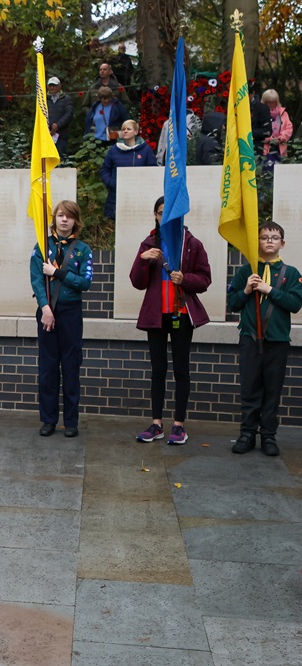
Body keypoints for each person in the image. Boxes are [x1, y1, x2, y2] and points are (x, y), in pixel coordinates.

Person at [130, 197, 212, 445]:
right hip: (156, 315)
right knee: (158, 370)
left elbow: (205, 279)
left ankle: (179, 425)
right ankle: (156, 423)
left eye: (171, 212)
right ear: (155, 216)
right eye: (161, 212)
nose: (166, 216)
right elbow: (137, 282)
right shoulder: (148, 243)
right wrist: (143, 260)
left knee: (181, 370)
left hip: (182, 314)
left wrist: (185, 279)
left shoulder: (192, 243)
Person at [228, 223, 302, 456]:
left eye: (274, 237)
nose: (269, 241)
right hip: (250, 338)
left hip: (277, 340)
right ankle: (247, 433)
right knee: (250, 387)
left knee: (272, 389)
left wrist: (269, 289)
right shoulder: (247, 271)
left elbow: (295, 304)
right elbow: (233, 304)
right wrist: (247, 290)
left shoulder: (291, 273)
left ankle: (268, 435)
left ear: (282, 243)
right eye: (264, 237)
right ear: (257, 242)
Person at [30, 200, 93, 437]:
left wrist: (58, 272)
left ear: (76, 221)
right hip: (47, 311)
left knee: (71, 366)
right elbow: (36, 280)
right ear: (54, 219)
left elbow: (85, 282)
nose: (64, 220)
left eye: (69, 216)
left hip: (71, 313)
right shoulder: (41, 246)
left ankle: (71, 421)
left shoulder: (83, 250)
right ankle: (48, 420)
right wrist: (45, 308)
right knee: (48, 367)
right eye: (60, 215)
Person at [100, 119, 154, 221]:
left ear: (136, 132)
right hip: (116, 195)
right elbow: (105, 169)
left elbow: (152, 170)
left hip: (140, 195)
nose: (125, 131)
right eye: (123, 129)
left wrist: (145, 185)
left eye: (128, 129)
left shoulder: (146, 150)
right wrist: (111, 183)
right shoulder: (114, 150)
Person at [260, 89, 294, 172]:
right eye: (268, 102)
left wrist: (280, 138)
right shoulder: (260, 113)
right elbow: (258, 130)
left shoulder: (283, 113)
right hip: (265, 149)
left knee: (280, 173)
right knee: (266, 172)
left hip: (280, 148)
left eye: (273, 102)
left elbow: (289, 128)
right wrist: (269, 139)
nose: (271, 104)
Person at [46, 76, 73, 158]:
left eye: (54, 85)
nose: (52, 88)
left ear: (59, 86)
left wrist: (58, 125)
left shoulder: (66, 99)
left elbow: (69, 114)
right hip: (47, 134)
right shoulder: (44, 99)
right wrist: (49, 127)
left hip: (61, 134)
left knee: (60, 156)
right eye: (50, 85)